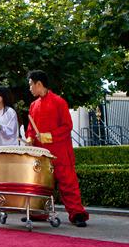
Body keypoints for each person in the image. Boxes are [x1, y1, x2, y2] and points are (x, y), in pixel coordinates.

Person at [25, 70, 89, 227]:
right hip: (41, 153)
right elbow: (30, 129)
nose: (30, 88)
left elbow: (67, 126)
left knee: (68, 184)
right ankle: (38, 212)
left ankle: (77, 214)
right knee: (41, 184)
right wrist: (29, 139)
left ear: (39, 83)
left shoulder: (59, 101)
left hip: (60, 152)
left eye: (31, 84)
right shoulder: (33, 105)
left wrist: (47, 136)